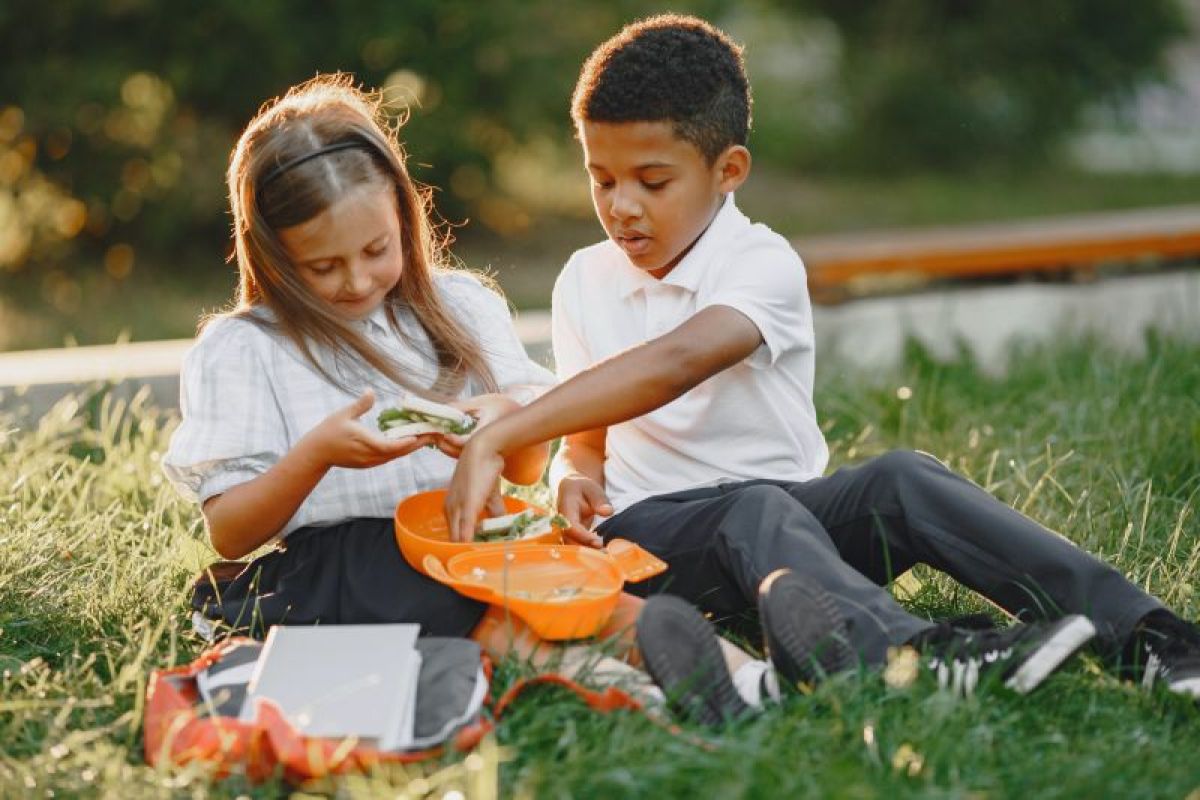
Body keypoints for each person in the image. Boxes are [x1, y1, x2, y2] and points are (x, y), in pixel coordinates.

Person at [444, 14, 1200, 701]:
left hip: (795, 543)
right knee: (751, 506)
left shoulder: (761, 263)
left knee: (901, 478)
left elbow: (677, 362)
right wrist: (577, 475)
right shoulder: (584, 278)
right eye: (600, 180)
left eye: (652, 181)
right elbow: (588, 440)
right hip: (653, 546)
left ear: (728, 170)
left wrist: (505, 432)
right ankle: (917, 657)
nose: (621, 206)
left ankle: (1154, 642)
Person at [159, 74, 846, 726]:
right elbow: (232, 530)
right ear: (272, 256)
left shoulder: (457, 306)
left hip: (478, 542)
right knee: (477, 611)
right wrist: (317, 455)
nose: (357, 280)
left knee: (584, 596)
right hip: (350, 562)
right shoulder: (247, 347)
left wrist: (503, 425)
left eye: (376, 249)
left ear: (404, 217)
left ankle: (755, 683)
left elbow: (523, 472)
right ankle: (647, 684)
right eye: (322, 266)